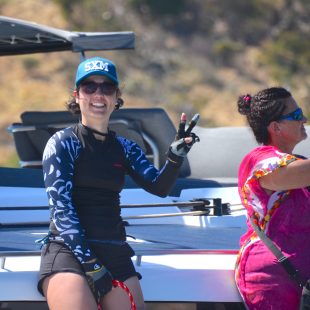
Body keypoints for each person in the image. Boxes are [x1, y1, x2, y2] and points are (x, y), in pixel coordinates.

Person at [36, 56, 199, 310]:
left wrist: (174, 158)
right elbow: (62, 211)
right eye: (89, 87)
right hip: (69, 253)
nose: (98, 94)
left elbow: (159, 186)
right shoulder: (61, 143)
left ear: (116, 97)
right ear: (77, 95)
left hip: (114, 253)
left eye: (107, 88)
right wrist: (91, 264)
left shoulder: (125, 147)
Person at [235, 86, 310, 309]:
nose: (304, 118)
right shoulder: (258, 160)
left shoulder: (298, 162)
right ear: (275, 127)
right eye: (296, 116)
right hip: (273, 283)